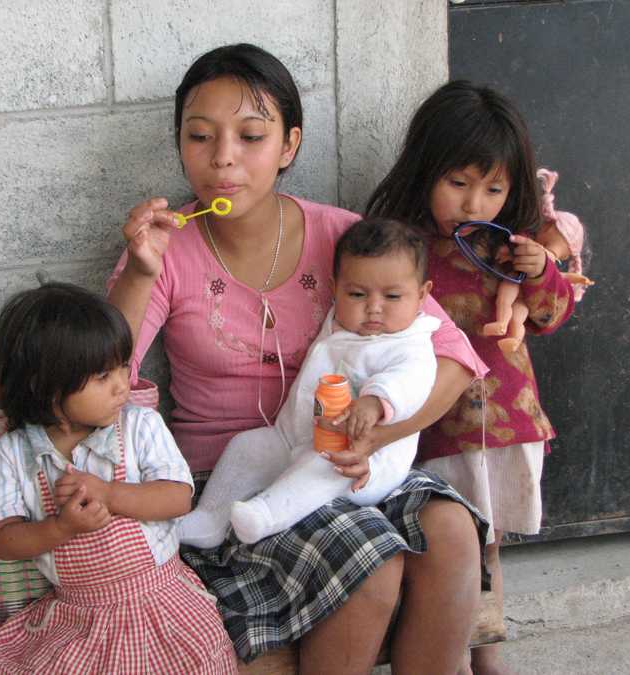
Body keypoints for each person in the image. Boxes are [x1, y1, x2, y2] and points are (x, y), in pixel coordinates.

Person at [107, 44, 490, 673]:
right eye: (200, 136)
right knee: (371, 557)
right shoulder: (165, 248)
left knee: (450, 531)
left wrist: (378, 436)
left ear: (289, 146)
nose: (223, 157)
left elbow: (450, 357)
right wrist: (141, 273)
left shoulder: (342, 236)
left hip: (354, 456)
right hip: (234, 479)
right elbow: (106, 373)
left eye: (250, 136)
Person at [366, 80, 577, 675]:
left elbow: (550, 317)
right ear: (424, 170)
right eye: (457, 183)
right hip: (431, 427)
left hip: (506, 426)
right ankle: (450, 655)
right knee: (445, 551)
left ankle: (484, 654)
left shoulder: (512, 247)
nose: (473, 203)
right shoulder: (403, 248)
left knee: (488, 549)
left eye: (493, 187)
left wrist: (542, 274)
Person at [0, 282, 236, 674]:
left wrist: (108, 493)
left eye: (122, 365)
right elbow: (3, 539)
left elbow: (177, 498)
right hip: (79, 616)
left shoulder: (139, 426)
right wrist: (60, 528)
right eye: (103, 375)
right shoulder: (14, 453)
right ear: (45, 386)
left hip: (162, 604)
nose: (122, 384)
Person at [179, 218, 439, 546]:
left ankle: (265, 515)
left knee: (324, 465)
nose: (373, 308)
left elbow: (412, 381)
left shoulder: (410, 342)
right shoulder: (340, 320)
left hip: (359, 461)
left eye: (392, 296)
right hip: (293, 436)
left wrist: (375, 402)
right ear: (335, 289)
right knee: (247, 446)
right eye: (357, 293)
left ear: (422, 294)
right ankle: (210, 518)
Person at [481, 168, 593, 353]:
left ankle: (512, 338)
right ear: (545, 226)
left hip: (522, 295)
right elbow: (512, 249)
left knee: (517, 316)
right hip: (513, 281)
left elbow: (563, 279)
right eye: (551, 243)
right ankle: (500, 322)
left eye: (559, 255)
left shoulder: (548, 264)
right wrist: (508, 253)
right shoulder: (519, 235)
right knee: (505, 301)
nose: (552, 254)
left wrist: (576, 279)